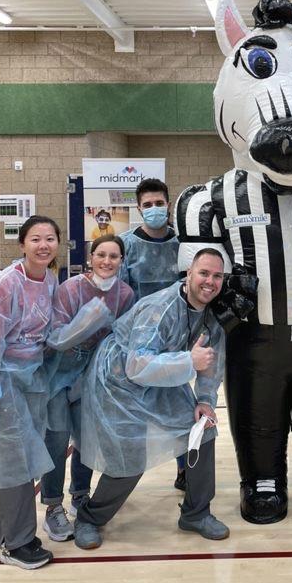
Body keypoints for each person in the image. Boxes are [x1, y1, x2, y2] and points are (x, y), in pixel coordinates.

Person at [74, 248, 229, 550]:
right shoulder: (160, 307)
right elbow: (137, 365)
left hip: (165, 374)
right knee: (129, 457)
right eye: (203, 273)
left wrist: (205, 401)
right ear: (189, 274)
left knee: (202, 431)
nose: (210, 281)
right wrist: (188, 361)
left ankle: (196, 514)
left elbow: (211, 364)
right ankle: (89, 518)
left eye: (217, 276)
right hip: (118, 381)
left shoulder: (213, 316)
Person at [0, 215, 61, 570]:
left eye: (50, 239)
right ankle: (18, 544)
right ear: (22, 245)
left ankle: (6, 533)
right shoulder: (5, 285)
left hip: (30, 381)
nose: (43, 245)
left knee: (21, 459)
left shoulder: (49, 280)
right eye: (35, 239)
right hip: (1, 381)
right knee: (16, 461)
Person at [40, 235, 134, 542]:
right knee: (56, 438)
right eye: (101, 255)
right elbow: (57, 337)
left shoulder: (125, 294)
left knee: (86, 438)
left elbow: (122, 338)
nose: (107, 261)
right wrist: (88, 320)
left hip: (93, 373)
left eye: (114, 256)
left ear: (122, 261)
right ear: (91, 258)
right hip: (59, 371)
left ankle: (80, 495)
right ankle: (53, 505)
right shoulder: (71, 289)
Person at [120, 178, 186, 488]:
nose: (154, 209)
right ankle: (123, 475)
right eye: (147, 205)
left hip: (176, 339)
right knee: (131, 414)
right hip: (137, 341)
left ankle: (186, 470)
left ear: (168, 204)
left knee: (180, 410)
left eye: (159, 203)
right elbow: (118, 297)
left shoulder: (183, 245)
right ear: (138, 209)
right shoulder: (126, 245)